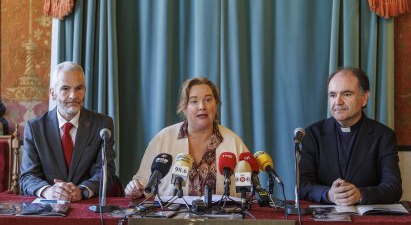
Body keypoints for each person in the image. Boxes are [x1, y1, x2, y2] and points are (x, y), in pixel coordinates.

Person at [125, 77, 249, 198]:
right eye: (194, 101)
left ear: (215, 105)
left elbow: (249, 190)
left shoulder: (233, 142)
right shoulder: (162, 139)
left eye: (208, 100)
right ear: (184, 108)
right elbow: (143, 184)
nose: (202, 106)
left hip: (223, 218)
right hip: (171, 217)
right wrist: (136, 189)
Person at [299, 67, 402, 205]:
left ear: (364, 98)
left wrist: (360, 195)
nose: (338, 102)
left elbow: (393, 187)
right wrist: (328, 194)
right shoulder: (312, 135)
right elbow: (303, 185)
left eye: (346, 94)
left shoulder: (384, 136)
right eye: (333, 95)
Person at [20, 61, 116, 201]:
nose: (73, 95)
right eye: (65, 89)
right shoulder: (35, 128)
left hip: (87, 208)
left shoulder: (102, 124)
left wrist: (82, 190)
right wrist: (48, 191)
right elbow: (28, 176)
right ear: (53, 93)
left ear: (85, 90)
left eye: (79, 88)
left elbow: (106, 172)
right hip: (49, 210)